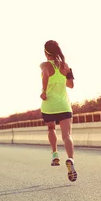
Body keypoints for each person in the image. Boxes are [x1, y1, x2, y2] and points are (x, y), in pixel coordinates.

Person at [40, 40, 78, 182]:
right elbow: (71, 85)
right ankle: (71, 160)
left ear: (45, 52)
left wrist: (44, 91)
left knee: (51, 129)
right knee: (67, 135)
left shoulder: (45, 65)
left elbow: (45, 75)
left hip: (49, 105)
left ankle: (55, 154)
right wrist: (67, 73)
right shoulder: (65, 66)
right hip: (63, 105)